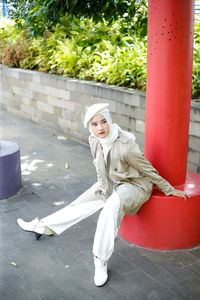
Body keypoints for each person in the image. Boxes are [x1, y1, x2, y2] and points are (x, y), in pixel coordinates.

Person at [17, 103, 189, 287]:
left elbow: (148, 170)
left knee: (110, 207)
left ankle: (100, 259)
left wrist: (169, 188)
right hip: (112, 181)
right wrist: (101, 188)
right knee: (81, 203)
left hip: (135, 184)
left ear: (110, 121)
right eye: (94, 124)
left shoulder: (126, 145)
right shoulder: (95, 140)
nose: (100, 128)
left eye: (103, 122)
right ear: (89, 127)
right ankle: (43, 226)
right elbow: (100, 169)